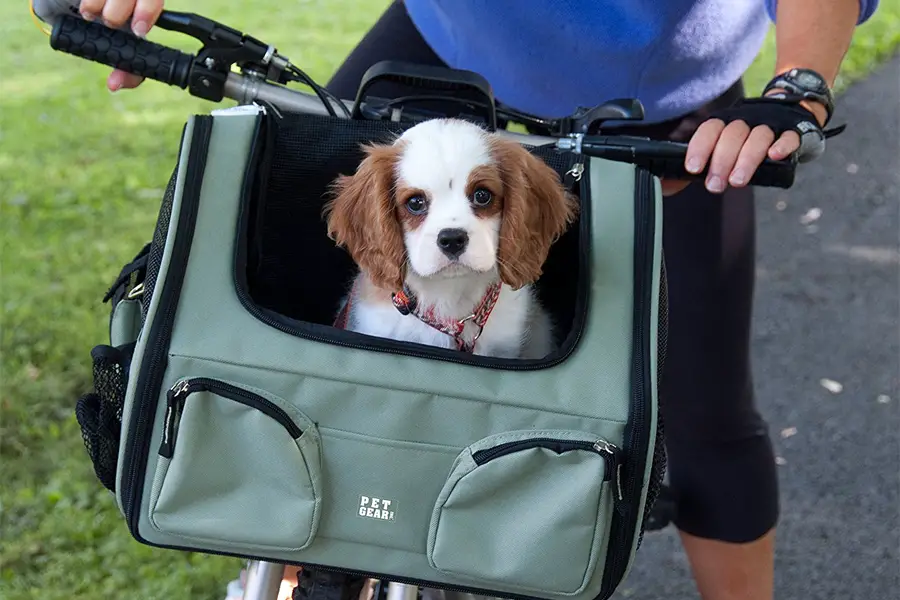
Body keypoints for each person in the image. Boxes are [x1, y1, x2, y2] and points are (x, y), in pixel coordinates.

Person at [78, 1, 878, 599]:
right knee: (280, 323)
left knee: (704, 413)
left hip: (666, 98)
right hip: (451, 36)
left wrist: (798, 84)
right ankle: (288, 556)